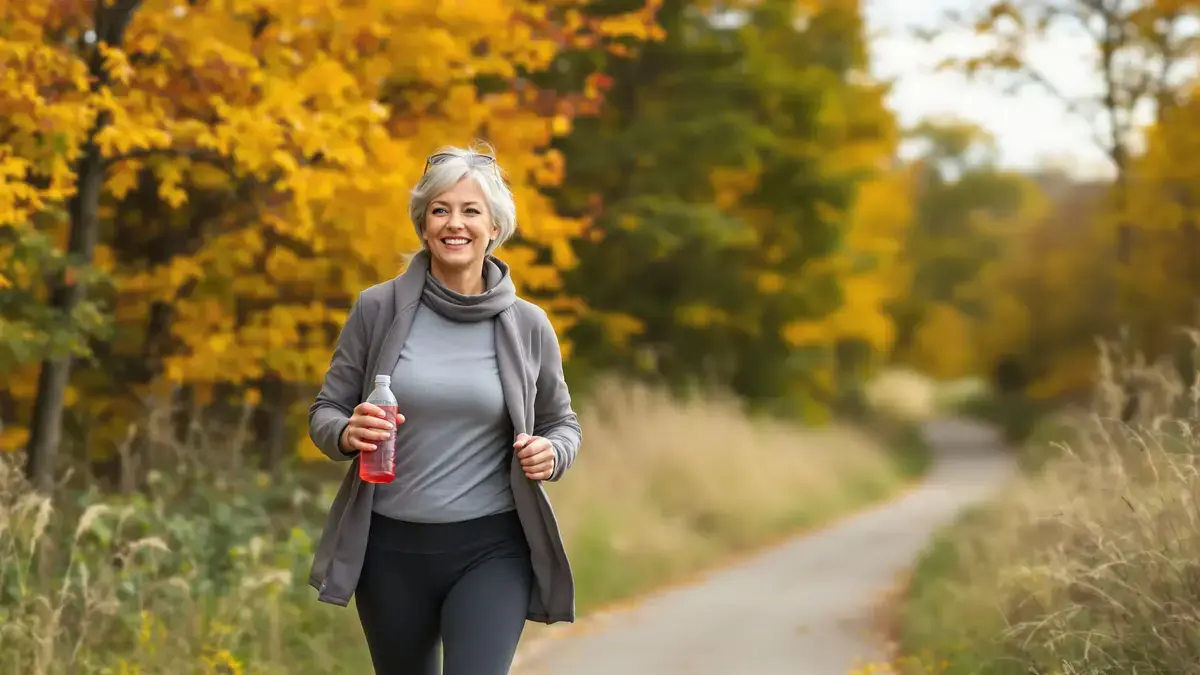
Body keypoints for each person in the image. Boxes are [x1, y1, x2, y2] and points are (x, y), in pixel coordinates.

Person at [305, 143, 583, 675]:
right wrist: (346, 433)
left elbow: (562, 423)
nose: (455, 223)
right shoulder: (377, 308)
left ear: (494, 227)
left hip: (492, 548)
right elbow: (326, 410)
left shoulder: (529, 325)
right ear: (424, 225)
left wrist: (553, 452)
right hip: (391, 550)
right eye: (440, 210)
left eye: (470, 211)